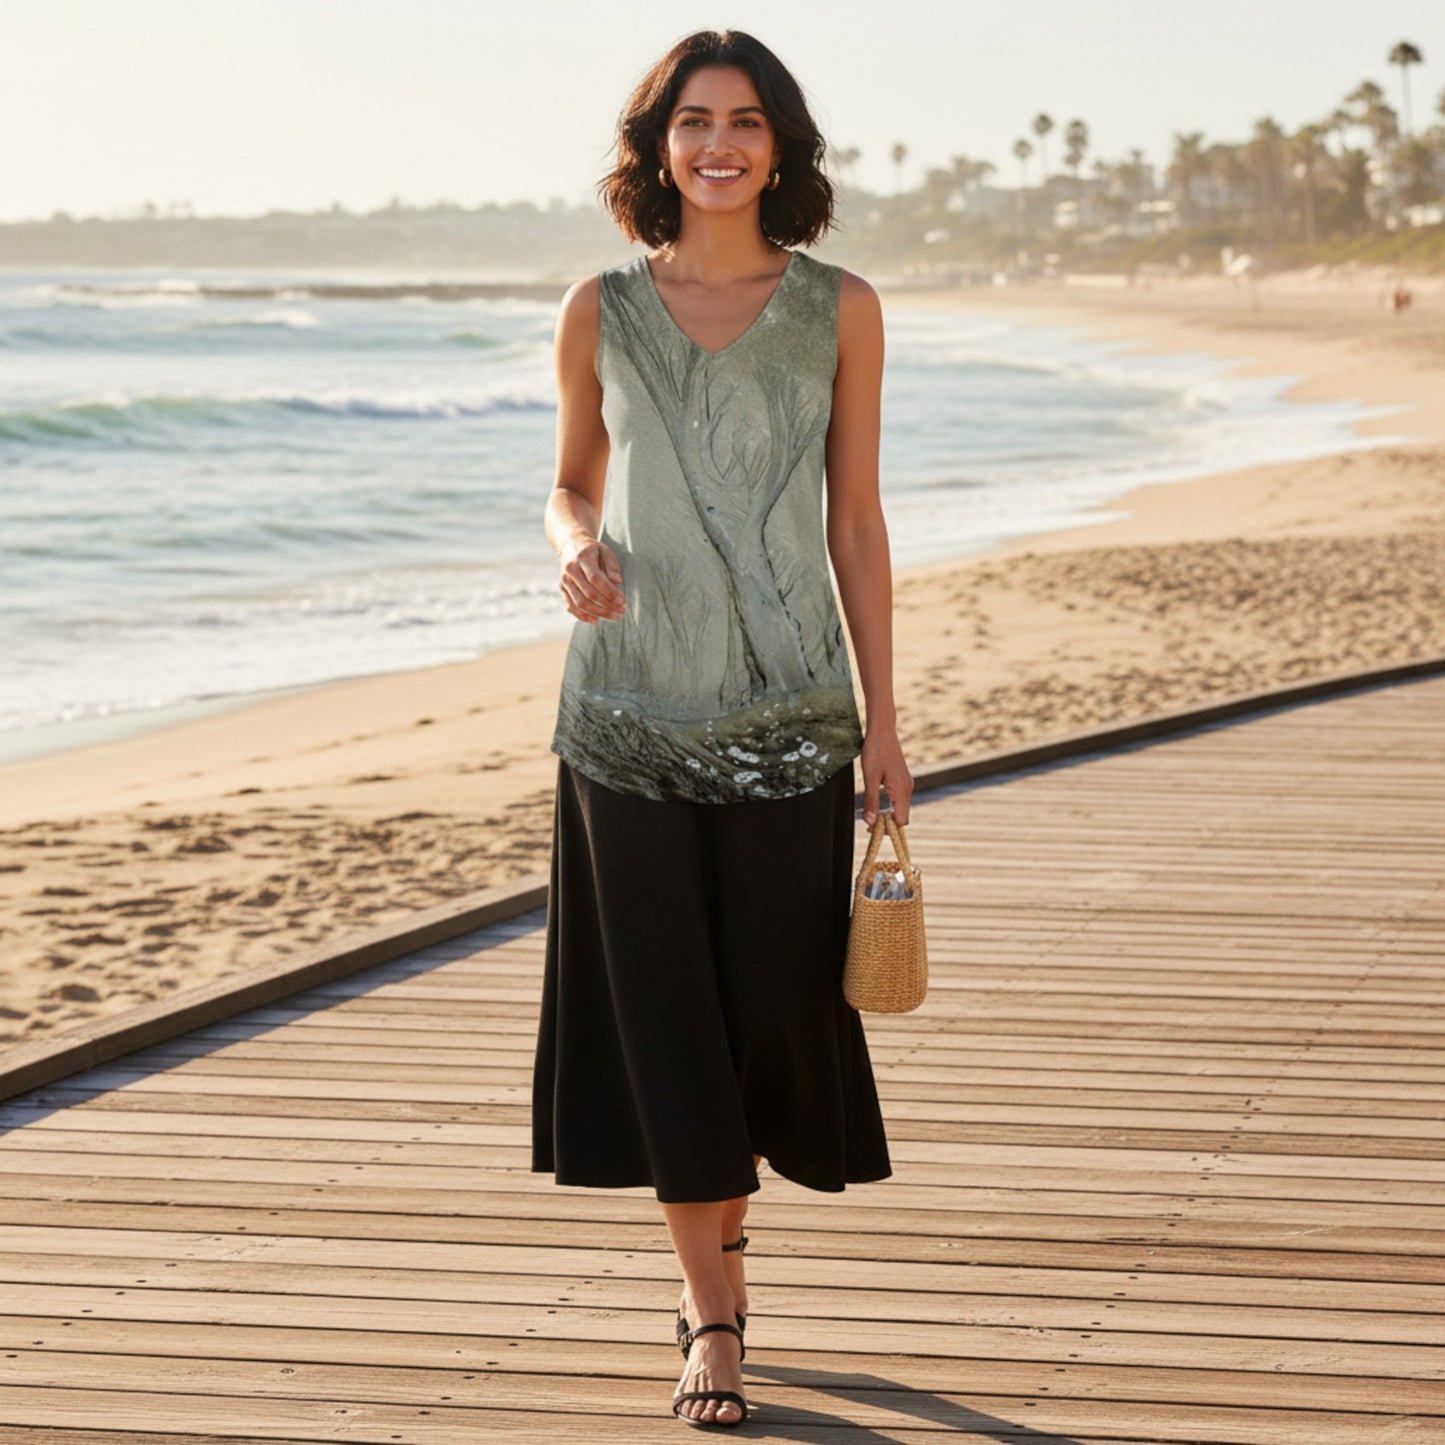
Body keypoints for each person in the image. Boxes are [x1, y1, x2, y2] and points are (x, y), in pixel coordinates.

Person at [530, 28, 912, 1430]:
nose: (719, 145)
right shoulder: (600, 307)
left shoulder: (841, 309)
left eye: (745, 121)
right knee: (667, 1014)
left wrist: (884, 721)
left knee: (769, 1006)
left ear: (779, 145)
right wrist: (574, 548)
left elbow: (855, 520)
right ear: (658, 148)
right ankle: (715, 1316)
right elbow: (568, 483)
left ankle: (726, 1264)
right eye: (693, 122)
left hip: (792, 718)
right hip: (624, 714)